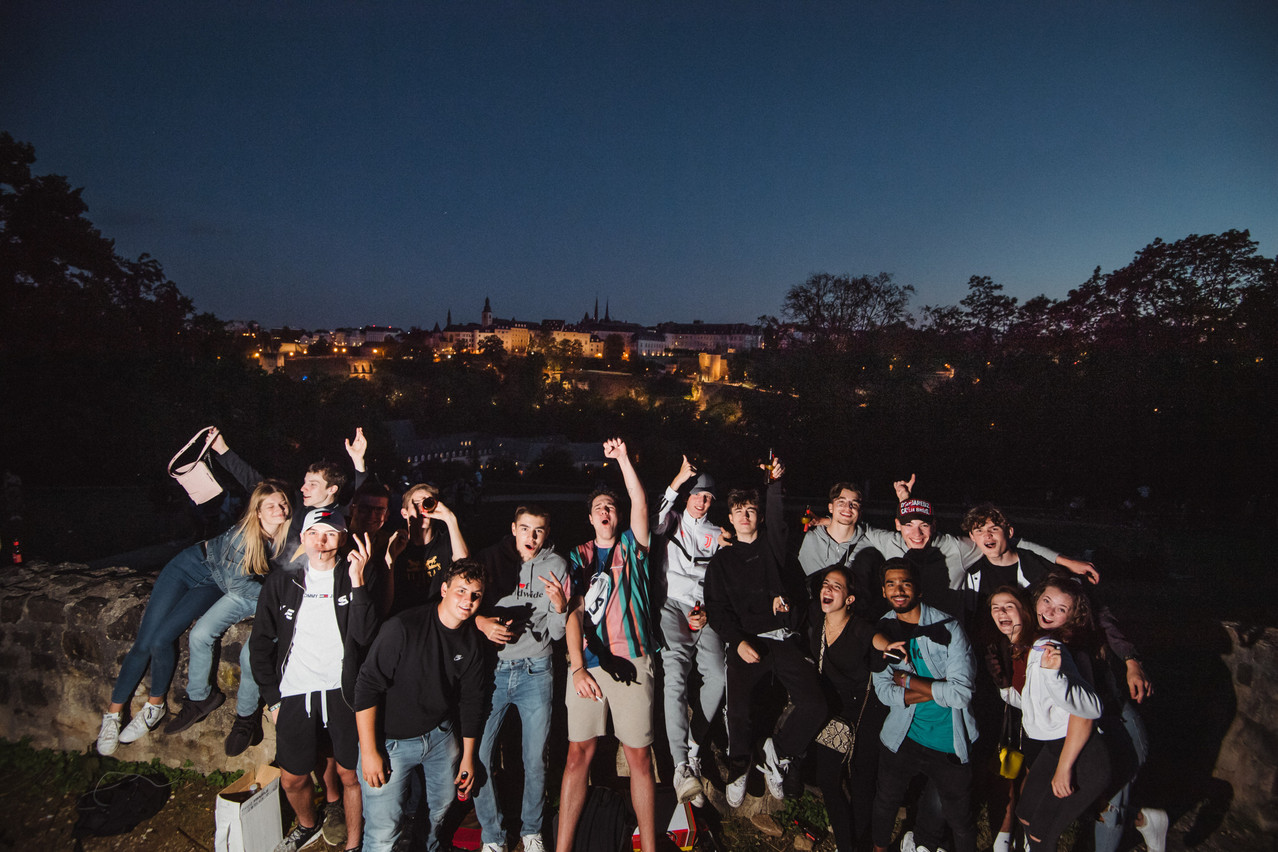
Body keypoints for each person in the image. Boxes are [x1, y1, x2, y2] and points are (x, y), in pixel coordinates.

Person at [96, 479, 293, 756]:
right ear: (257, 511)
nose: (278, 508)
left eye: (282, 503)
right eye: (270, 505)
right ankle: (113, 713)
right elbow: (241, 586)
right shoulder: (244, 535)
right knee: (145, 641)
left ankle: (155, 705)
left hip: (213, 585)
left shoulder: (285, 537)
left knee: (163, 638)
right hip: (188, 566)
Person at [250, 508, 378, 852]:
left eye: (331, 534)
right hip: (296, 690)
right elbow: (260, 642)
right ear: (303, 537)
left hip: (344, 691)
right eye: (314, 533)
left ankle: (354, 843)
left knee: (350, 774)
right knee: (292, 777)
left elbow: (365, 636)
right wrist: (272, 698)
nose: (321, 541)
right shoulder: (282, 581)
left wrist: (358, 579)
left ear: (342, 538)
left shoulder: (354, 575)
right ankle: (308, 824)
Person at [704, 458, 827, 806]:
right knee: (739, 711)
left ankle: (778, 753)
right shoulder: (722, 562)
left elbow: (777, 516)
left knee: (815, 704)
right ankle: (739, 768)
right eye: (738, 511)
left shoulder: (773, 548)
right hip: (747, 643)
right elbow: (716, 608)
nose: (745, 515)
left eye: (751, 510)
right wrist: (737, 640)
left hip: (783, 640)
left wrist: (773, 485)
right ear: (729, 518)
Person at [556, 438, 659, 852]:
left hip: (632, 658)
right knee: (577, 755)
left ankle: (649, 847)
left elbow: (639, 499)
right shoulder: (577, 556)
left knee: (639, 758)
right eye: (599, 505)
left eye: (611, 506)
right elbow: (573, 614)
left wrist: (623, 461)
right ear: (589, 516)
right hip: (589, 667)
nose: (605, 510)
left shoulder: (634, 548)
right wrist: (578, 667)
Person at [355, 559, 489, 852]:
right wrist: (369, 752)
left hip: (439, 737)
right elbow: (366, 688)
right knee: (382, 833)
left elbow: (472, 699)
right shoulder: (403, 627)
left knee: (437, 816)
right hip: (391, 743)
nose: (467, 600)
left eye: (475, 594)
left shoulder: (471, 641)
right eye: (461, 591)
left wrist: (468, 756)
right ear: (444, 589)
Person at [472, 507, 570, 852]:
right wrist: (483, 622)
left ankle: (531, 830)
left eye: (538, 531)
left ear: (546, 533)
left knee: (535, 757)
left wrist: (559, 606)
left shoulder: (556, 565)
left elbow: (557, 635)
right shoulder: (489, 560)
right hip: (494, 671)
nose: (531, 537)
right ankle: (493, 835)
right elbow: (464, 605)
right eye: (525, 528)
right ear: (513, 529)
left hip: (536, 670)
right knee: (479, 756)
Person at [870, 558, 979, 852]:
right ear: (883, 591)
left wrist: (907, 682)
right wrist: (932, 688)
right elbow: (882, 691)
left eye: (905, 583)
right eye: (891, 584)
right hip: (903, 736)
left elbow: (962, 695)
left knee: (961, 821)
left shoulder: (948, 627)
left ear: (918, 589)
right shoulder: (882, 631)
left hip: (947, 741)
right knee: (885, 803)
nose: (898, 590)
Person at [1003, 576, 1110, 852]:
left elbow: (1086, 713)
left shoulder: (1063, 651)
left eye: (1061, 609)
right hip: (1054, 746)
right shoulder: (1038, 643)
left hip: (1082, 755)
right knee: (1025, 813)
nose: (1049, 612)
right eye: (1047, 601)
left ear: (1073, 618)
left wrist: (1064, 768)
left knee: (1041, 833)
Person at [653, 455, 725, 806]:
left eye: (708, 497)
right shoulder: (673, 520)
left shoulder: (718, 534)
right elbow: (651, 523)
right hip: (671, 603)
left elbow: (724, 578)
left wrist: (707, 610)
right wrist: (677, 480)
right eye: (697, 495)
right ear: (687, 496)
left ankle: (694, 747)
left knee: (718, 675)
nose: (702, 501)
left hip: (703, 611)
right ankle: (680, 764)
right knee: (676, 674)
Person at [806, 566, 884, 852]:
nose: (828, 589)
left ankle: (861, 843)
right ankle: (847, 845)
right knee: (828, 779)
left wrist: (888, 646)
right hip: (835, 710)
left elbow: (875, 638)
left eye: (836, 587)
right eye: (826, 584)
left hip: (865, 707)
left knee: (862, 782)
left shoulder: (858, 626)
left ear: (850, 598)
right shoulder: (817, 617)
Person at [381, 482, 469, 616]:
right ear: (404, 513)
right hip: (405, 618)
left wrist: (450, 518)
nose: (422, 508)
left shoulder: (447, 540)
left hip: (437, 618)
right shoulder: (396, 544)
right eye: (416, 503)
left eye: (427, 502)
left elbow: (464, 565)